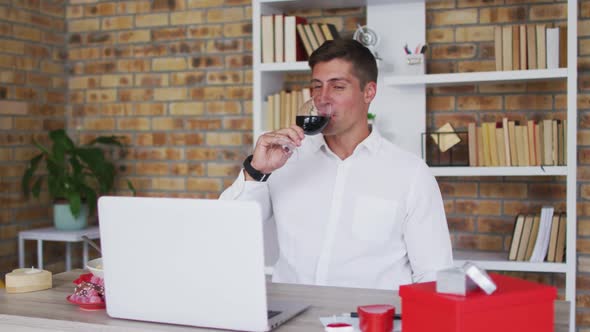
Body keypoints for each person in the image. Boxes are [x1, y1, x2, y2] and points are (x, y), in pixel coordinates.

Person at [220, 39, 453, 290]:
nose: (322, 98)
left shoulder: (411, 173)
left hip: (371, 322)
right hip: (292, 319)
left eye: (338, 87)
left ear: (369, 92)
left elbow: (433, 275)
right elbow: (225, 230)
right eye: (316, 87)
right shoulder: (285, 159)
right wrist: (257, 171)